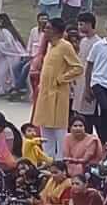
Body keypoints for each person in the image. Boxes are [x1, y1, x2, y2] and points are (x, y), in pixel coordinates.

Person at [33, 18, 84, 158]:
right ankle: (47, 162)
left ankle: (61, 163)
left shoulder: (65, 46)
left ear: (56, 31)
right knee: (45, 132)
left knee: (59, 133)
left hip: (58, 95)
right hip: (45, 95)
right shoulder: (51, 47)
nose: (45, 31)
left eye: (48, 28)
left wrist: (61, 79)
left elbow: (78, 68)